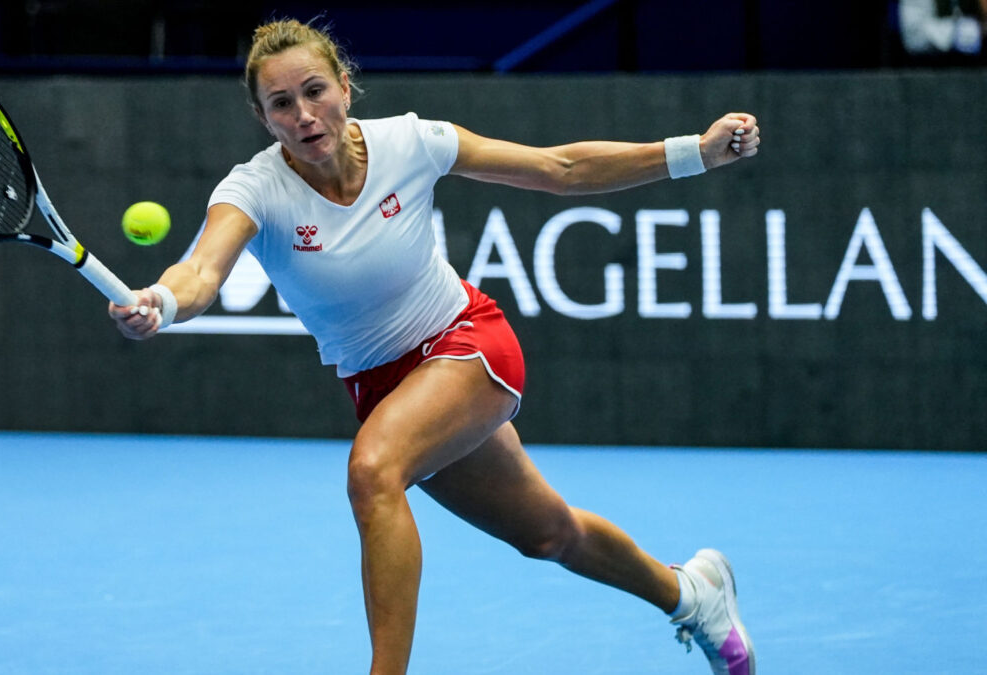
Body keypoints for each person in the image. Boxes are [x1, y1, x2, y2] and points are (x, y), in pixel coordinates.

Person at [110, 18, 760, 675]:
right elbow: (199, 273)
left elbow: (557, 169)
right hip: (384, 385)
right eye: (282, 103)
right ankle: (692, 595)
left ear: (344, 86)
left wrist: (694, 152)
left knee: (373, 471)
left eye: (315, 91)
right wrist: (162, 302)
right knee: (548, 532)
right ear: (262, 115)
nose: (304, 115)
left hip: (467, 343)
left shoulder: (410, 143)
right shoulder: (252, 189)